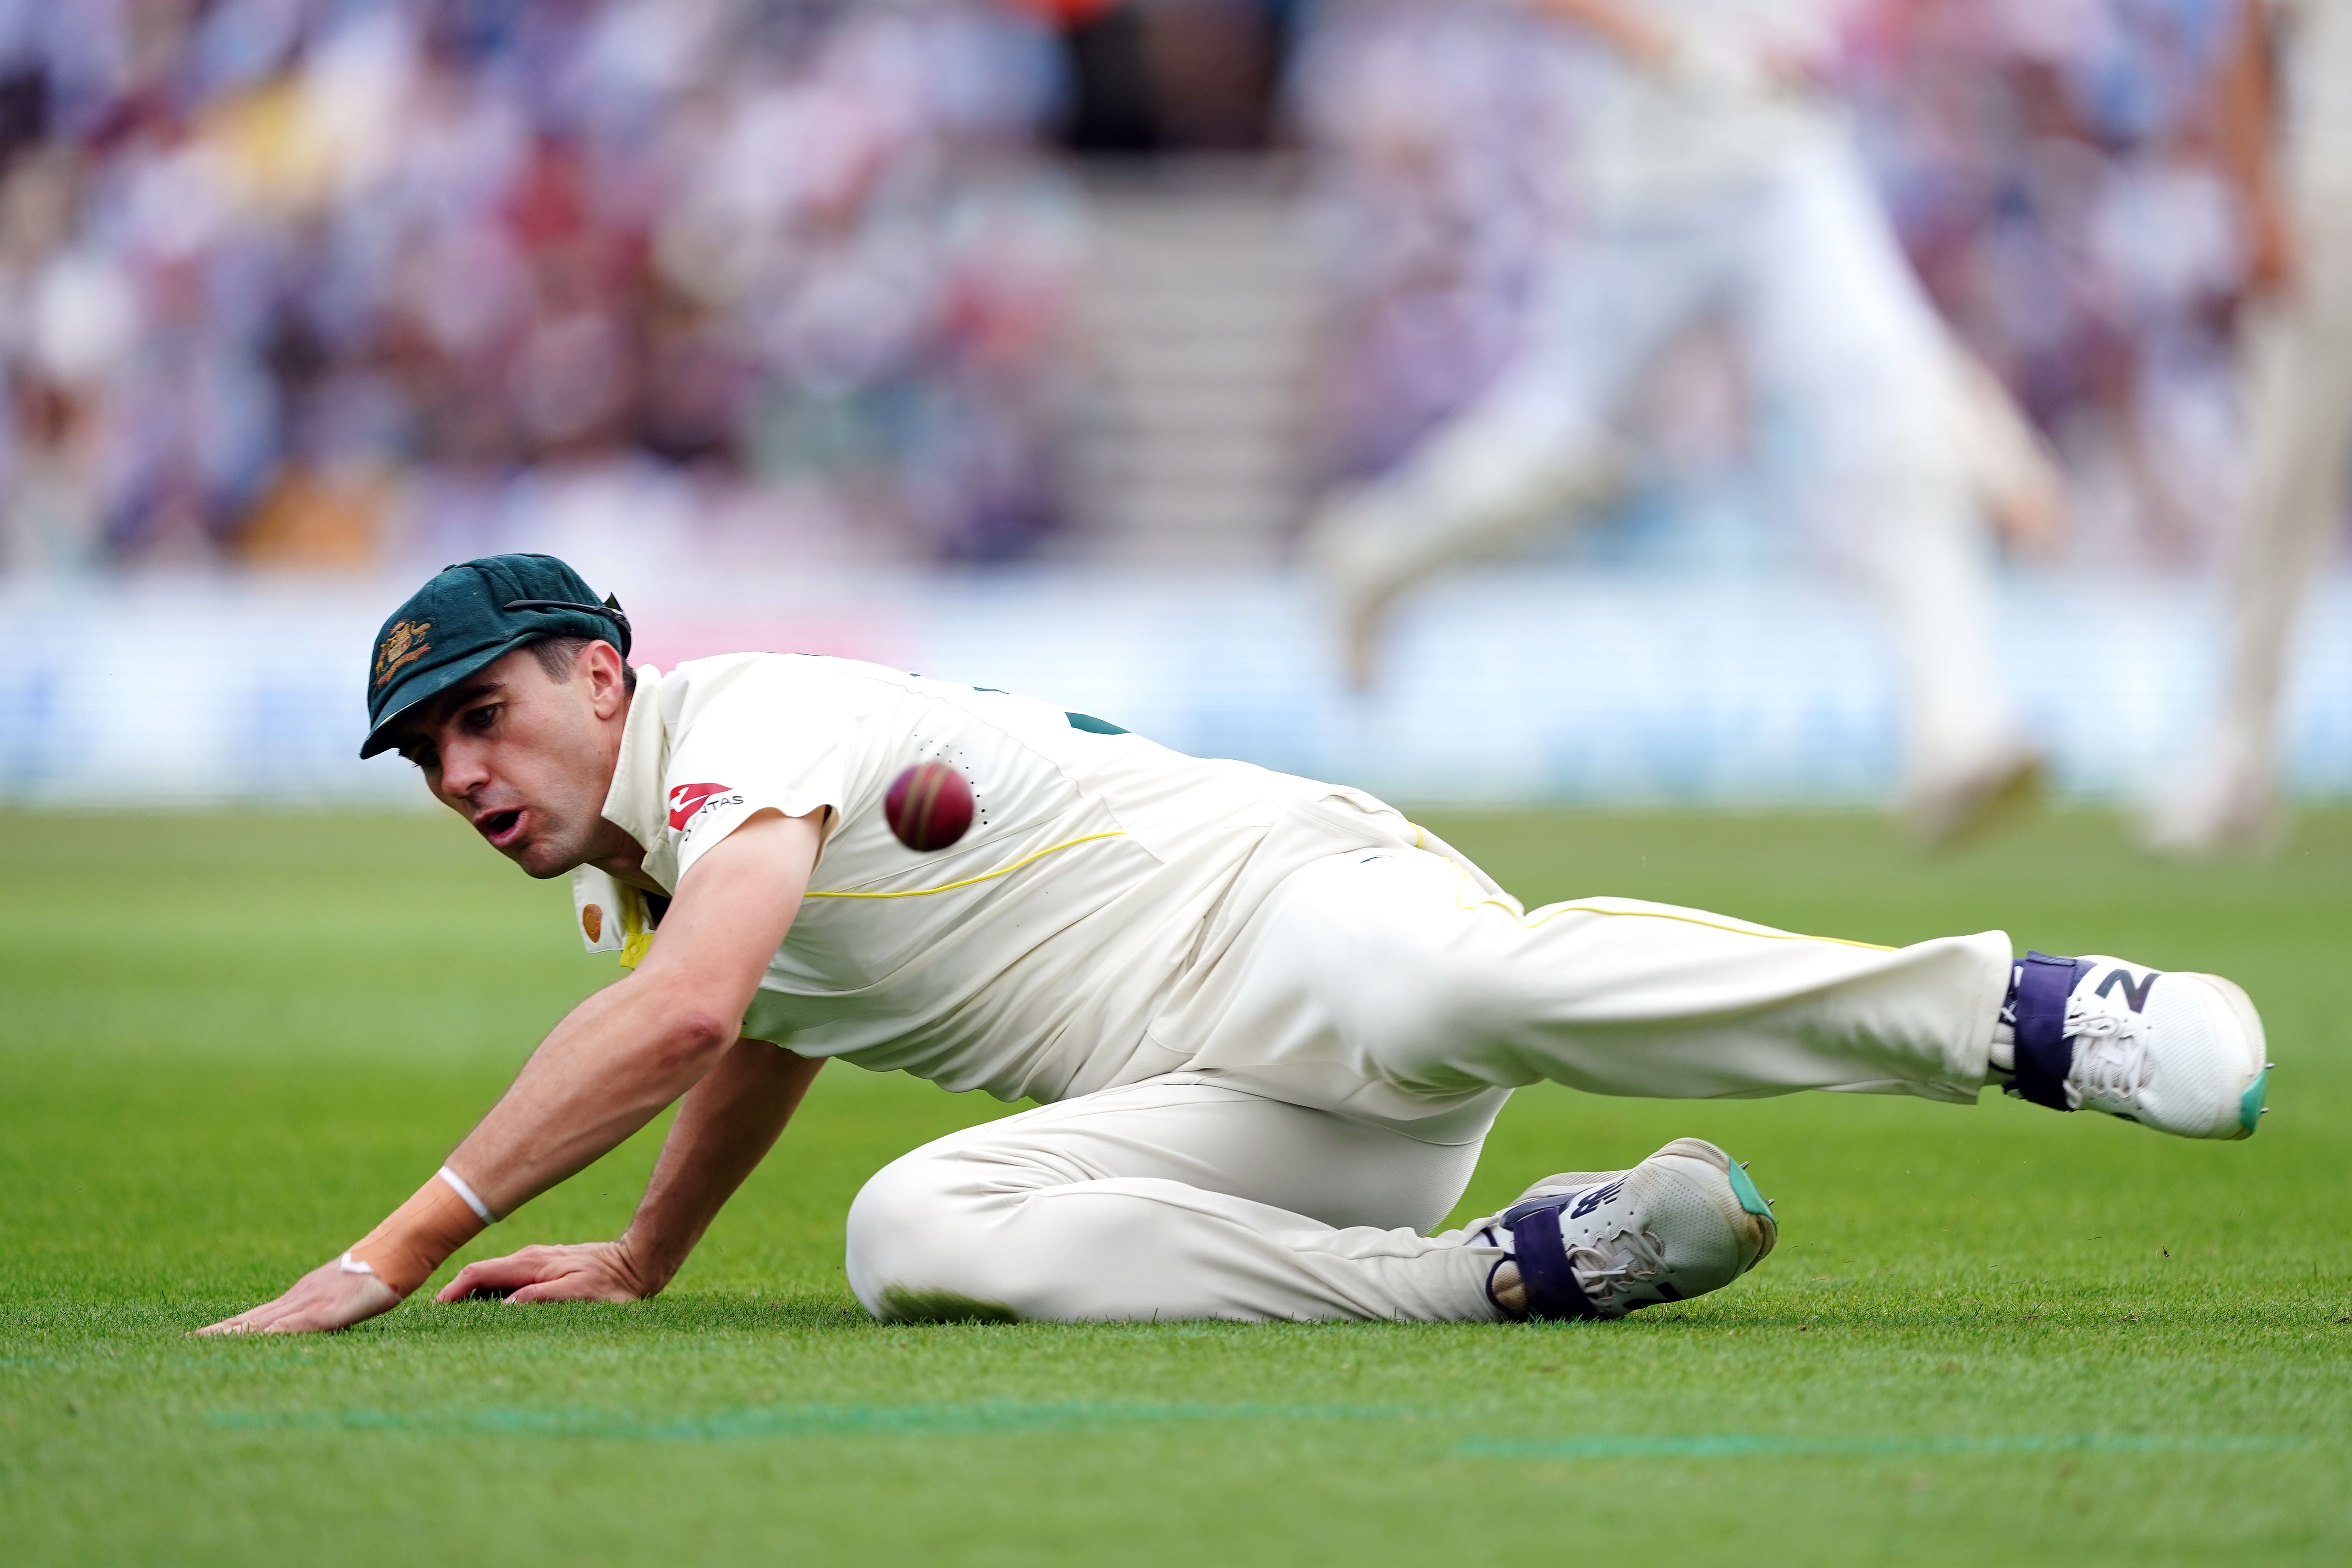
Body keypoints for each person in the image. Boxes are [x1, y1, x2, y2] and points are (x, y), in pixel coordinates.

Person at [202, 554, 2269, 1334]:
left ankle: (2016, 1018)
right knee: (912, 1238)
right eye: (423, 752)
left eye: (481, 715)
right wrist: (650, 1252)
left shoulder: (741, 725)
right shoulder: (653, 851)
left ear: (596, 671)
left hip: (1292, 920)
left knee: (1465, 982)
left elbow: (695, 1008)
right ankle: (1507, 1272)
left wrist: (386, 1255)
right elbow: (774, 1020)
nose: (459, 770)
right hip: (1243, 1125)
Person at [1302, 0, 2061, 845]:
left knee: (1894, 425)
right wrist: (1673, 49)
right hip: (1652, 184)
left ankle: (1958, 727)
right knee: (1554, 457)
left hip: (1784, 155)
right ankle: (1372, 558)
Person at [2147, 0, 2335, 855]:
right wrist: (2258, 199)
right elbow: (2247, 45)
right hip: (2328, 217)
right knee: (2279, 496)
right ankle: (2236, 756)